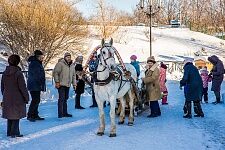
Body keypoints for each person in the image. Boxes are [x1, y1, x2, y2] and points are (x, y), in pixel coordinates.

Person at [1, 55, 29, 138]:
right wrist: (26, 97)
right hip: (18, 98)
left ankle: (9, 132)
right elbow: (22, 87)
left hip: (7, 97)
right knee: (16, 115)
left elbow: (2, 86)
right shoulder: (18, 73)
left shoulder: (5, 73)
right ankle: (15, 132)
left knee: (10, 115)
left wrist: (5, 95)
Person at [53, 52, 76, 118]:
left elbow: (74, 76)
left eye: (69, 57)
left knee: (66, 99)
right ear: (64, 57)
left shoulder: (72, 65)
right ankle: (60, 114)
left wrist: (74, 84)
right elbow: (55, 73)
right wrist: (57, 82)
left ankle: (65, 113)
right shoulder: (60, 64)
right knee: (61, 99)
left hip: (68, 84)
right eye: (67, 57)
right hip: (61, 84)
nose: (68, 58)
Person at [27, 50, 46, 122]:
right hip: (34, 84)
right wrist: (40, 83)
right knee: (35, 100)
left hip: (36, 84)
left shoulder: (37, 63)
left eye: (42, 57)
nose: (42, 58)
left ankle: (35, 114)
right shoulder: (34, 63)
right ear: (37, 57)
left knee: (37, 100)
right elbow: (36, 75)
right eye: (41, 57)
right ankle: (30, 115)